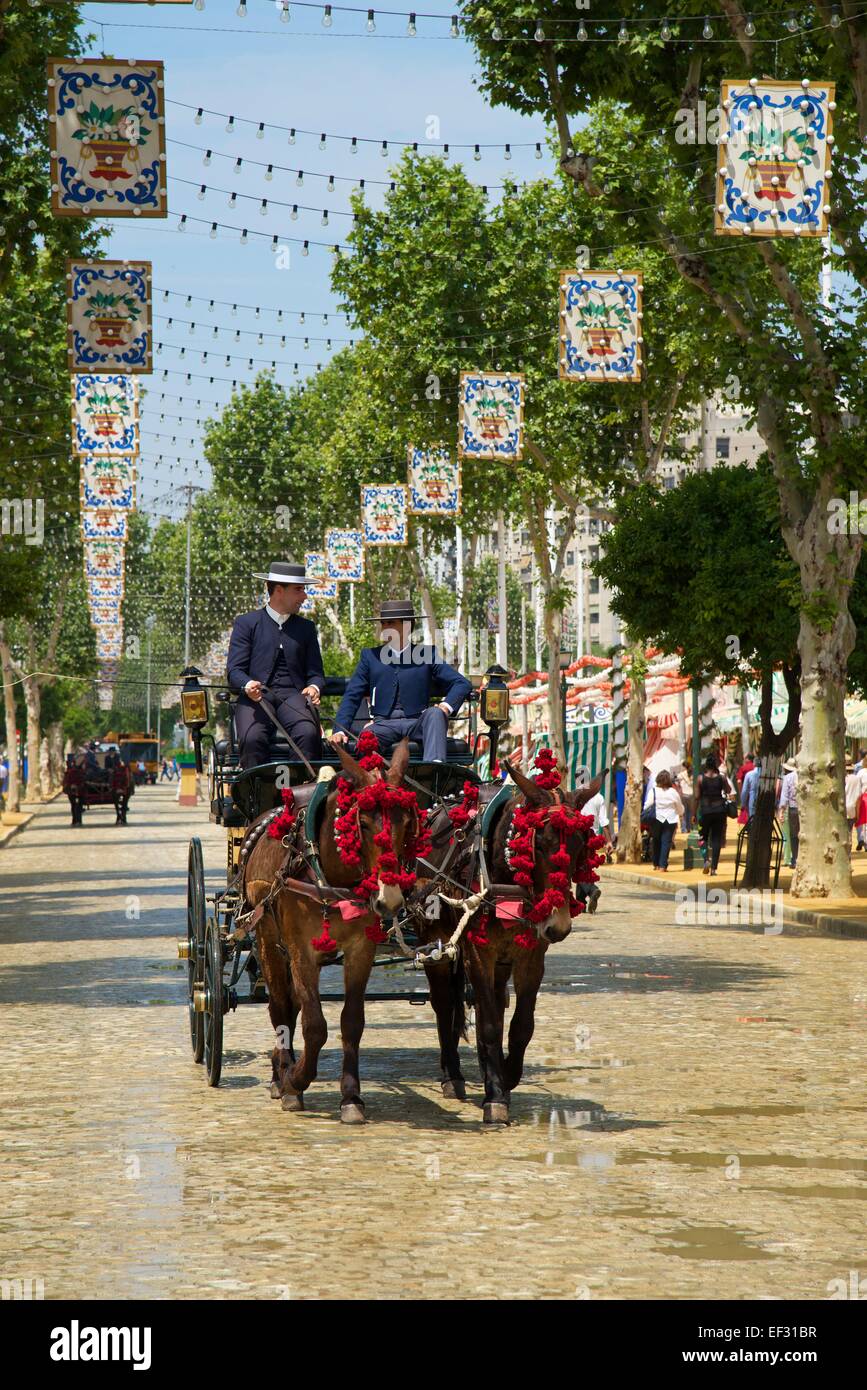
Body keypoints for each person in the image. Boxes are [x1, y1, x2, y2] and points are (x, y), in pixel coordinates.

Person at [332, 598, 470, 761]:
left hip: (417, 722)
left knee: (435, 713)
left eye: (390, 623)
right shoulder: (370, 656)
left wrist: (445, 707)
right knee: (367, 735)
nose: (384, 628)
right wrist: (339, 730)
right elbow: (352, 695)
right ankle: (371, 784)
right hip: (382, 725)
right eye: (383, 623)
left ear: (406, 625)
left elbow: (462, 683)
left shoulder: (426, 654)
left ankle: (435, 770)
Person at [227, 560, 325, 771]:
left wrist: (314, 687)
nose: (304, 596)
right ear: (279, 590)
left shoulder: (306, 628)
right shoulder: (246, 623)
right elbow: (234, 671)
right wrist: (247, 685)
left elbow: (316, 673)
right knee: (252, 738)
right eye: (299, 590)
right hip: (257, 697)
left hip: (294, 697)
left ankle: (301, 798)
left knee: (308, 733)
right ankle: (257, 798)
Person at [576, 775, 612, 912]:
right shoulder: (598, 797)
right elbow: (604, 821)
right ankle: (580, 902)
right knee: (585, 868)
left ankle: (592, 890)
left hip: (579, 837)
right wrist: (608, 841)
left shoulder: (576, 796)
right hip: (594, 838)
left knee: (580, 868)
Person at [698, 754, 730, 875]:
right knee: (716, 839)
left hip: (705, 811)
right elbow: (728, 790)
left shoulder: (701, 779)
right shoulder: (721, 778)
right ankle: (714, 869)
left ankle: (706, 859)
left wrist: (694, 814)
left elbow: (696, 797)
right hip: (719, 811)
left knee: (702, 837)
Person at [650, 769, 683, 872]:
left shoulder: (654, 791)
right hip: (670, 819)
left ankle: (656, 864)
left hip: (656, 818)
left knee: (656, 840)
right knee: (666, 842)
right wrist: (680, 813)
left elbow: (648, 804)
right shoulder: (673, 792)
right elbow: (679, 806)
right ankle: (663, 866)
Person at [778, 759, 799, 868]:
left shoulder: (788, 778)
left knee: (794, 835)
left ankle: (795, 859)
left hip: (793, 809)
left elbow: (784, 796)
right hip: (806, 809)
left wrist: (781, 811)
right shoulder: (808, 776)